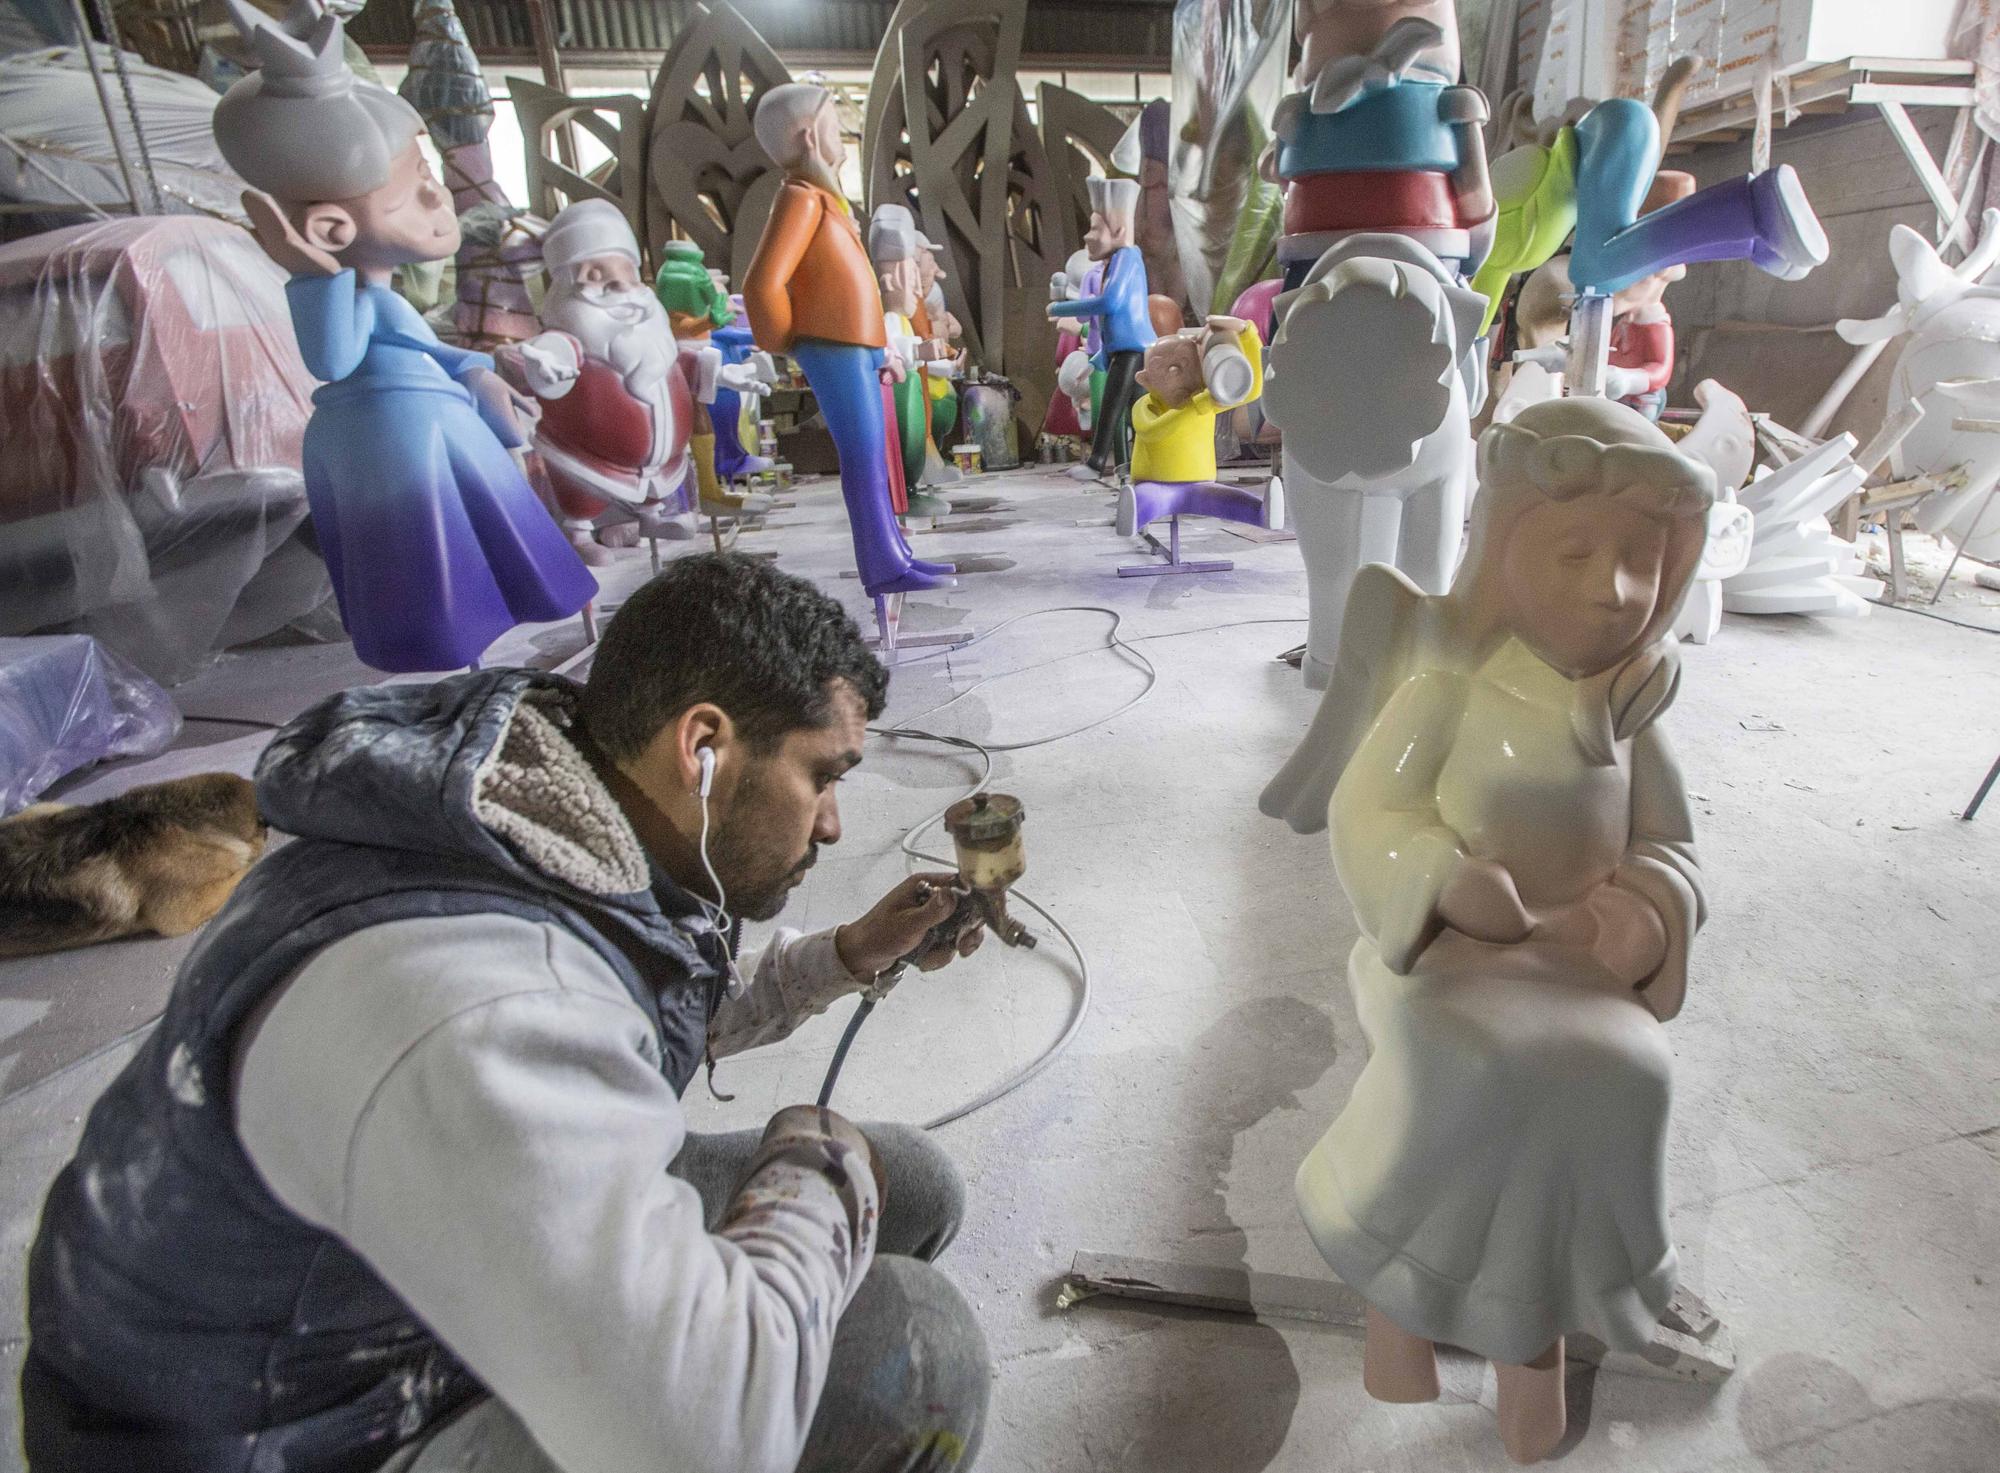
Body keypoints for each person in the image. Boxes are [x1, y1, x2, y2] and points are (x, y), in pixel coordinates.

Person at [22, 554, 994, 1473]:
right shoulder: (477, 1006)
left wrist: (842, 957)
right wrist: (811, 1167)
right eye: (821, 777)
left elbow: (641, 987)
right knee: (914, 1349)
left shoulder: (543, 793)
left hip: (376, 1281)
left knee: (907, 1184)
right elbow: (706, 1435)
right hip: (279, 1426)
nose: (831, 824)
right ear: (700, 747)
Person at [211, 0, 595, 673]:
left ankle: (486, 642)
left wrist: (478, 368)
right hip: (395, 439)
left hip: (431, 420)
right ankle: (453, 659)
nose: (441, 199)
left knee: (490, 538)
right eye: (414, 191)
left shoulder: (385, 295)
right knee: (431, 562)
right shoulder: (341, 289)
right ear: (330, 228)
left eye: (431, 179)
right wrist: (314, 275)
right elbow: (333, 358)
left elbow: (417, 345)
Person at [744, 84, 952, 596]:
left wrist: (876, 340)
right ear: (810, 135)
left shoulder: (823, 199)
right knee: (862, 458)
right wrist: (789, 340)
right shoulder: (798, 198)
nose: (844, 137)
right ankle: (883, 566)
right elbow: (762, 282)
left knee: (875, 456)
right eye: (836, 126)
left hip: (853, 345)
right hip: (831, 346)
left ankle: (895, 555)